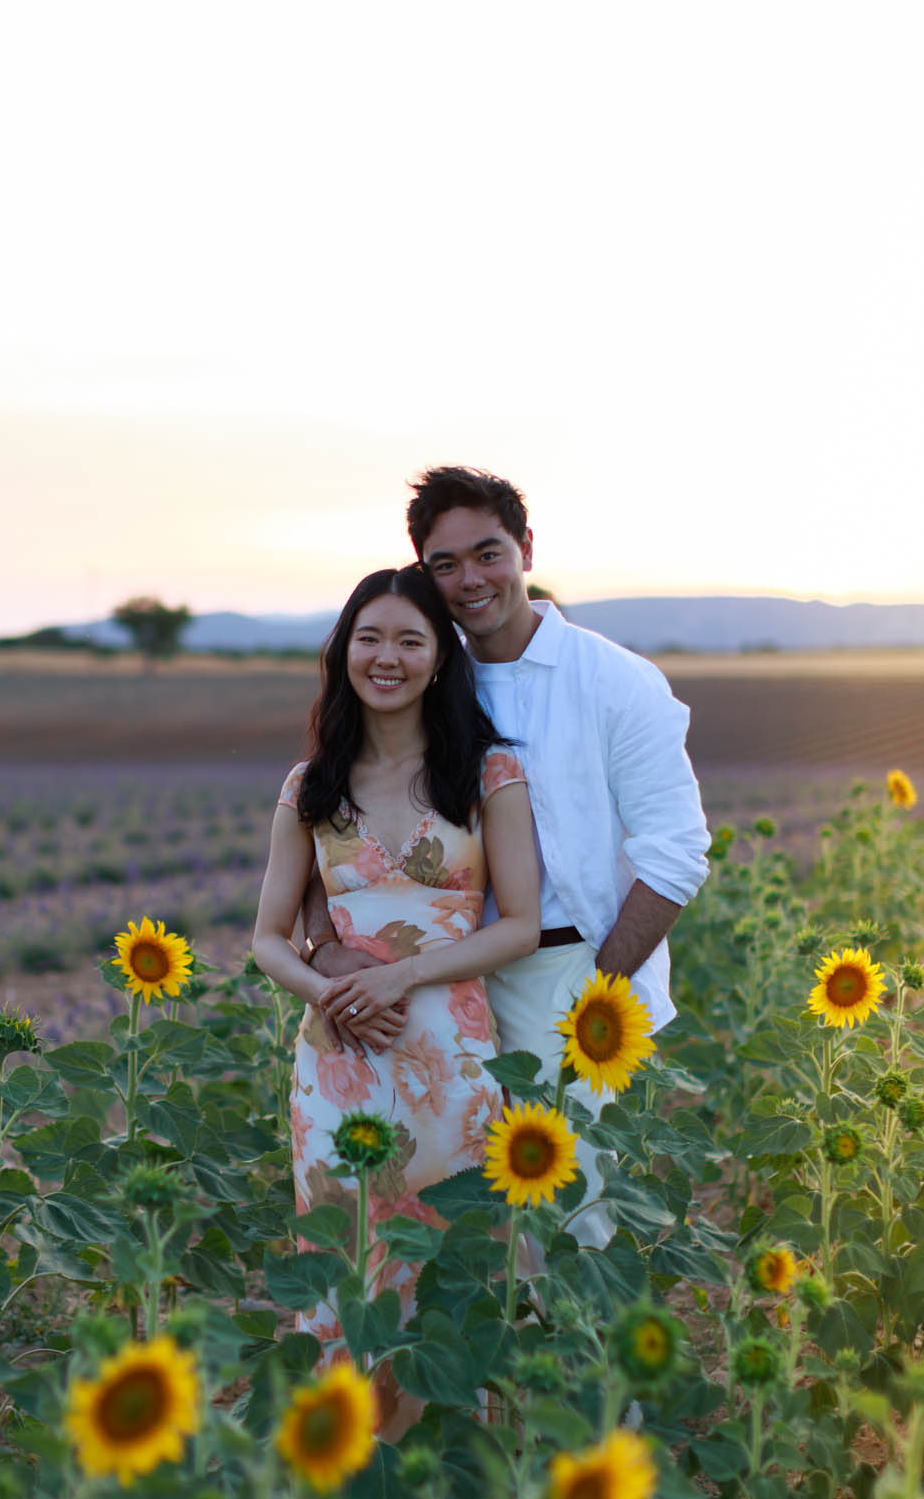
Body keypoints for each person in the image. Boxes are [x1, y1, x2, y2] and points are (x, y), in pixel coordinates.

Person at [303, 466, 711, 1250]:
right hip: (425, 988)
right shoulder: (420, 672)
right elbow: (327, 814)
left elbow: (676, 853)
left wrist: (596, 995)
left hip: (563, 974)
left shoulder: (615, 681)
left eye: (487, 554)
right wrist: (323, 944)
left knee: (571, 1225)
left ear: (525, 548)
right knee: (449, 1226)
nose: (469, 580)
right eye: (444, 564)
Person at [252, 564, 542, 1437]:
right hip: (335, 1062)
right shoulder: (311, 784)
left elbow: (520, 925)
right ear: (342, 650)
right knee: (346, 1262)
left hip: (450, 1058)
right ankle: (355, 1479)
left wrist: (400, 976)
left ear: (439, 658)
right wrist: (329, 992)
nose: (387, 657)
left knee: (452, 1261)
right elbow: (267, 938)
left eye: (410, 640)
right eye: (369, 638)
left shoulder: (488, 772)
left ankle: (454, 1469)